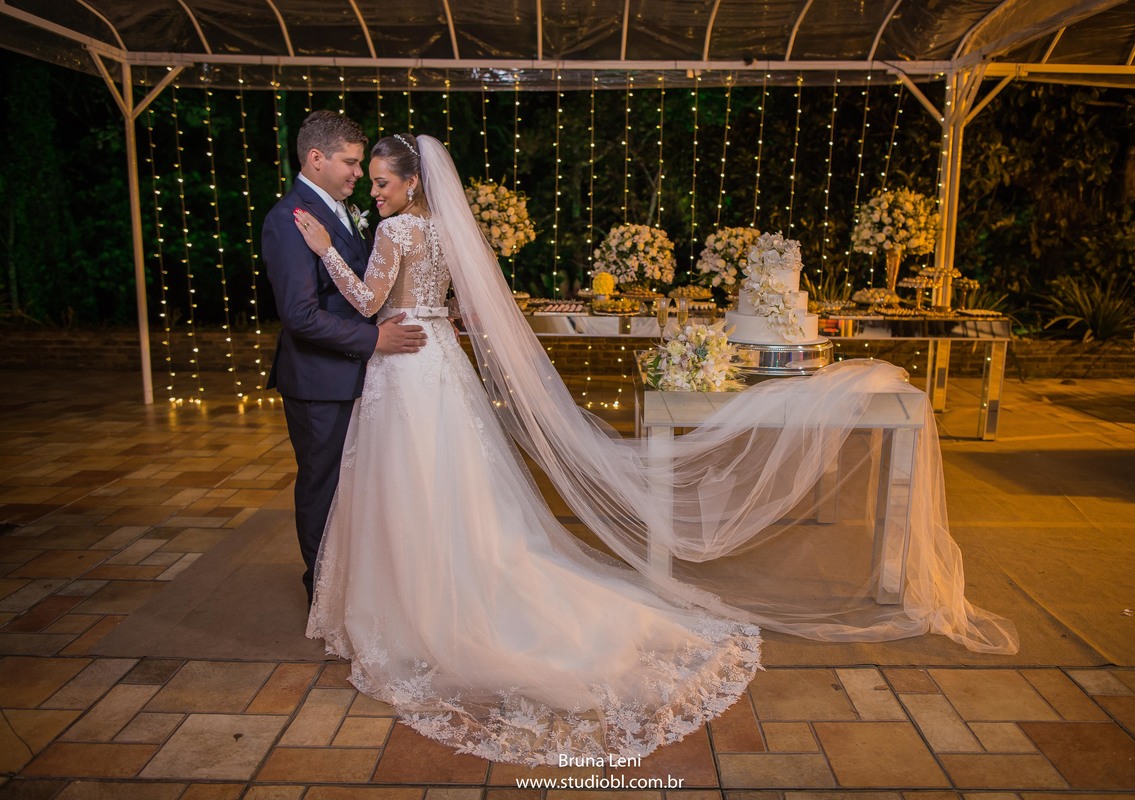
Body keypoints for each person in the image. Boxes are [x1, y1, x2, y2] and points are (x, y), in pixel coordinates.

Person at [294, 133, 1017, 765]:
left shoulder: (396, 234)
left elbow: (364, 303)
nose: (376, 194)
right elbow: (454, 301)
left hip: (405, 369)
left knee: (407, 483)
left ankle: (413, 597)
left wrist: (328, 252)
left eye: (383, 182)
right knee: (448, 483)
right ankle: (445, 576)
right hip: (440, 363)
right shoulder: (446, 233)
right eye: (372, 183)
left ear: (411, 181)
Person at [263, 111, 429, 606]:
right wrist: (372, 340)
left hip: (357, 376)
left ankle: (354, 584)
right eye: (350, 162)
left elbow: (363, 290)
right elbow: (299, 314)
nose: (359, 174)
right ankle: (323, 592)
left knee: (353, 487)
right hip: (319, 380)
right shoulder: (289, 218)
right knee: (324, 486)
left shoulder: (342, 211)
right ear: (316, 159)